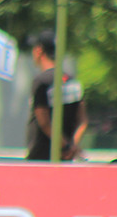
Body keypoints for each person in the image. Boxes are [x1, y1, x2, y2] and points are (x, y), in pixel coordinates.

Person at [25, 29, 87, 161]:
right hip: (66, 158)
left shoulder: (41, 82)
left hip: (41, 157)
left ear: (39, 51)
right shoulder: (72, 81)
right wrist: (72, 146)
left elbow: (44, 122)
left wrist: (64, 146)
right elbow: (82, 121)